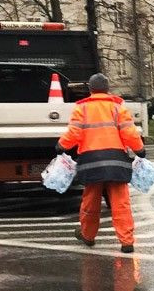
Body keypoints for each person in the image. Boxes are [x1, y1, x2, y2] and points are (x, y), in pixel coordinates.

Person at [57, 72, 146, 254]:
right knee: (121, 203)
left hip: (91, 162)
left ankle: (88, 236)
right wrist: (139, 150)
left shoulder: (82, 108)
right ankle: (126, 241)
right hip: (116, 161)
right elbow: (129, 132)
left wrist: (61, 145)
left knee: (90, 202)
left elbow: (74, 132)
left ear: (90, 89)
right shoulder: (118, 107)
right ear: (107, 89)